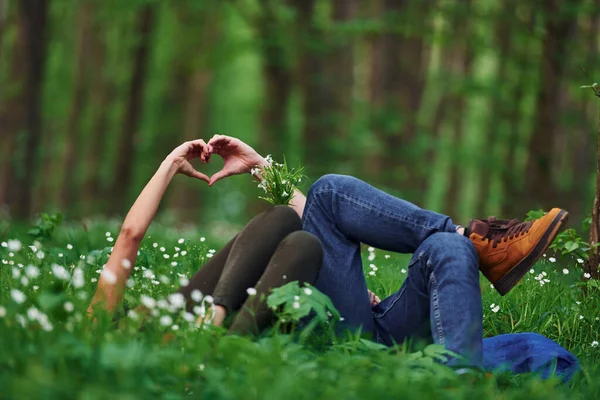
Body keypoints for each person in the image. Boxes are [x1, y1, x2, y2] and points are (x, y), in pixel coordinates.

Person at [203, 134, 568, 368]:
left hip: (376, 322)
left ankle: (458, 377)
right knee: (328, 191)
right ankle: (479, 242)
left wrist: (260, 166)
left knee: (448, 246)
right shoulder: (249, 255)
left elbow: (314, 215)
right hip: (333, 329)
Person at [87, 140, 323, 335]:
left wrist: (259, 166)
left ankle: (217, 319)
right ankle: (224, 333)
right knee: (303, 244)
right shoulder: (96, 334)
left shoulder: (101, 327)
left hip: (190, 322)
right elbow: (130, 235)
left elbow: (130, 235)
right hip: (173, 331)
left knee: (296, 234)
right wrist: (170, 164)